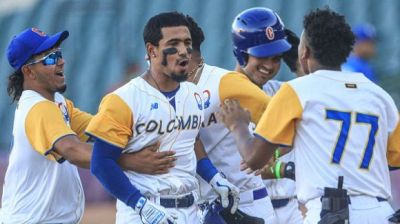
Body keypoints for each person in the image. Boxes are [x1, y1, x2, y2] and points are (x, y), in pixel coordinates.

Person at [218, 8, 400, 224]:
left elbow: (253, 158)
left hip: (326, 210)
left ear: (303, 52)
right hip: (379, 211)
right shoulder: (379, 95)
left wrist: (238, 125)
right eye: (262, 55)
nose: (270, 64)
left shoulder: (293, 92)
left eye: (277, 57)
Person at [0, 27, 176, 224]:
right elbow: (74, 150)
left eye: (58, 54)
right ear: (28, 71)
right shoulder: (38, 108)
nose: (61, 61)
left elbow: (100, 128)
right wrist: (132, 161)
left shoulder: (57, 102)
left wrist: (149, 128)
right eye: (50, 58)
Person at [86, 12, 238, 224]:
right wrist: (141, 205)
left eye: (187, 43)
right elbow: (101, 163)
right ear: (152, 50)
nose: (184, 51)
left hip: (191, 211)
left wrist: (214, 177)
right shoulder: (123, 99)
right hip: (145, 210)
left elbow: (191, 142)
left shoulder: (193, 94)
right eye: (174, 44)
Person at [183, 12, 277, 223]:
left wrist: (270, 150)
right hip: (207, 208)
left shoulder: (223, 81)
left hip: (248, 204)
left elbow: (278, 114)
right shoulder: (174, 92)